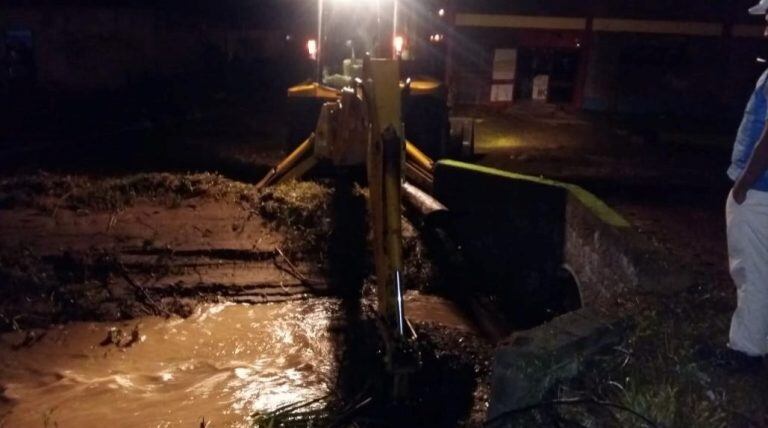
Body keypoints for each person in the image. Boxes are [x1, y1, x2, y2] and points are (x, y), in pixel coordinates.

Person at [723, 0, 768, 371]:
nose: (766, 30)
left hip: (760, 192)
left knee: (750, 270)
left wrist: (744, 184)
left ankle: (746, 353)